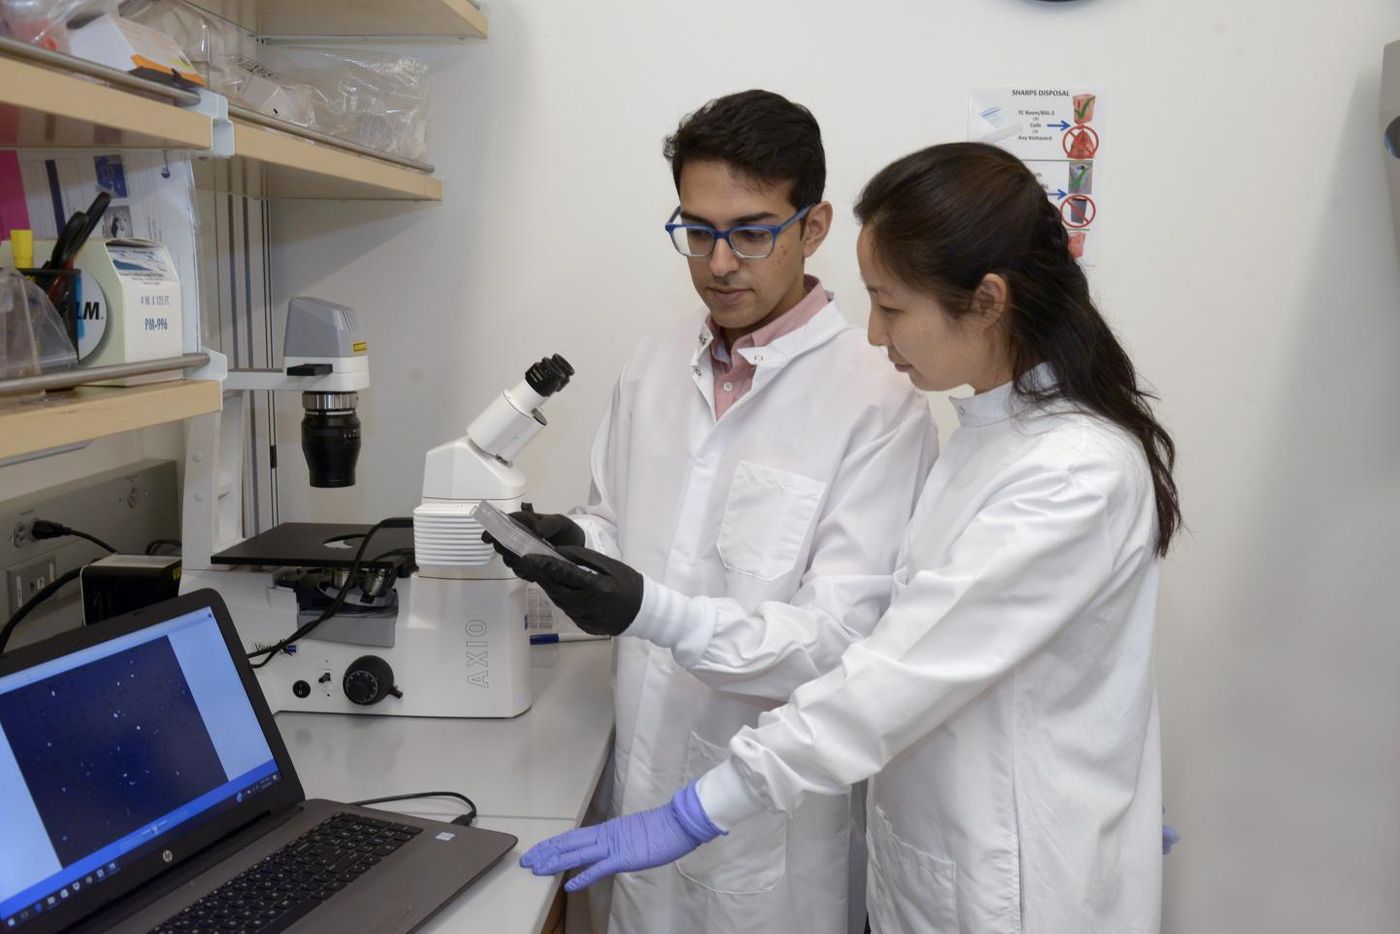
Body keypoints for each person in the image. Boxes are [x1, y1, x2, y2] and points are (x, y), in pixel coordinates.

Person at [513, 141, 1181, 934]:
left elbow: (885, 676)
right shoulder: (988, 434)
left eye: (891, 307)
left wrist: (694, 812)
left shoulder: (1071, 472)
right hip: (937, 861)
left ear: (988, 300)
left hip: (1011, 887)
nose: (873, 333)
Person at [493, 91, 936, 934]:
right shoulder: (656, 362)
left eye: (752, 231)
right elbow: (618, 523)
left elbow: (840, 650)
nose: (719, 262)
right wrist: (574, 546)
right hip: (639, 801)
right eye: (697, 231)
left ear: (816, 227)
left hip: (769, 849)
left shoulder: (879, 399)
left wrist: (650, 610)